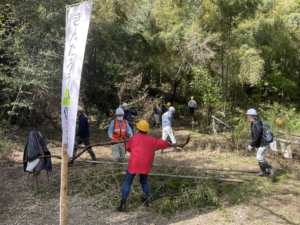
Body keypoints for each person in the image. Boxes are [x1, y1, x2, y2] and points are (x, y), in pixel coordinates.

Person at [117, 120, 169, 212]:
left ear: (138, 129)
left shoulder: (134, 138)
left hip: (134, 164)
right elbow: (164, 144)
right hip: (145, 165)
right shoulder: (152, 139)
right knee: (144, 182)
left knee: (128, 182)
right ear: (147, 130)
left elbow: (127, 148)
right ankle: (145, 200)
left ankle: (123, 204)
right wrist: (168, 142)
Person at [247, 109, 276, 178]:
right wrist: (256, 145)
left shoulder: (256, 124)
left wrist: (251, 144)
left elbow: (257, 136)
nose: (248, 117)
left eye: (249, 115)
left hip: (263, 143)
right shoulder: (254, 123)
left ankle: (271, 169)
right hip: (259, 143)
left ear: (254, 116)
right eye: (247, 115)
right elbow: (257, 136)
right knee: (260, 157)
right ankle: (263, 172)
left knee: (259, 158)